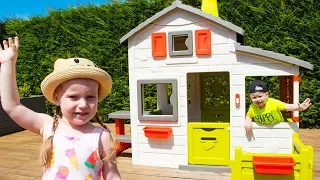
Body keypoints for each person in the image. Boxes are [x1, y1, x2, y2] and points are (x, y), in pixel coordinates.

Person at [0, 36, 122, 180]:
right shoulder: (48, 126)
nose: (83, 104)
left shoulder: (102, 137)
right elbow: (12, 106)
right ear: (57, 99)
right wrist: (8, 63)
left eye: (90, 97)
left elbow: (112, 175)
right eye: (73, 97)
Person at [244, 80, 311, 133]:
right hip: (263, 131)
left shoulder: (273, 102)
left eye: (260, 96)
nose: (258, 99)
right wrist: (248, 122)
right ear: (250, 97)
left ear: (266, 95)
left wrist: (299, 108)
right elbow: (249, 116)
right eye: (254, 97)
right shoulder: (252, 107)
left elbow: (287, 107)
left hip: (279, 128)